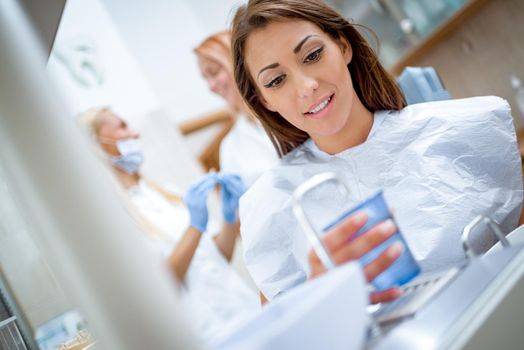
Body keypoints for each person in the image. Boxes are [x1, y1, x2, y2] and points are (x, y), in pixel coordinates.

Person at [230, 0, 524, 301]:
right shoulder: (272, 207)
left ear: (343, 46)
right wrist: (317, 301)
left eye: (313, 55)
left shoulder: (458, 130)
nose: (306, 86)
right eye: (276, 80)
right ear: (264, 101)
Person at [79, 107, 402, 342]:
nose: (133, 133)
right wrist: (195, 226)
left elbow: (214, 259)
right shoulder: (113, 219)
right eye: (121, 127)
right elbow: (160, 284)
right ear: (95, 144)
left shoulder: (161, 193)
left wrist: (231, 221)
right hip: (204, 334)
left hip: (243, 313)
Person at [195, 31, 279, 187]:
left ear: (238, 63)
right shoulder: (230, 147)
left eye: (214, 72)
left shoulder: (287, 107)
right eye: (206, 79)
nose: (211, 87)